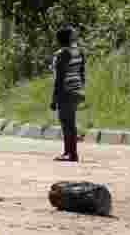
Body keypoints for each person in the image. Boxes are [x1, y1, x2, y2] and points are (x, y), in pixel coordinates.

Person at [51, 26, 85, 162]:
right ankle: (70, 152)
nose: (76, 36)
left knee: (67, 123)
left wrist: (54, 98)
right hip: (76, 89)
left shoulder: (62, 53)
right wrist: (81, 89)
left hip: (66, 91)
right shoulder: (78, 52)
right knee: (69, 122)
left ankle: (71, 153)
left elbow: (59, 77)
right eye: (74, 35)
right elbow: (82, 72)